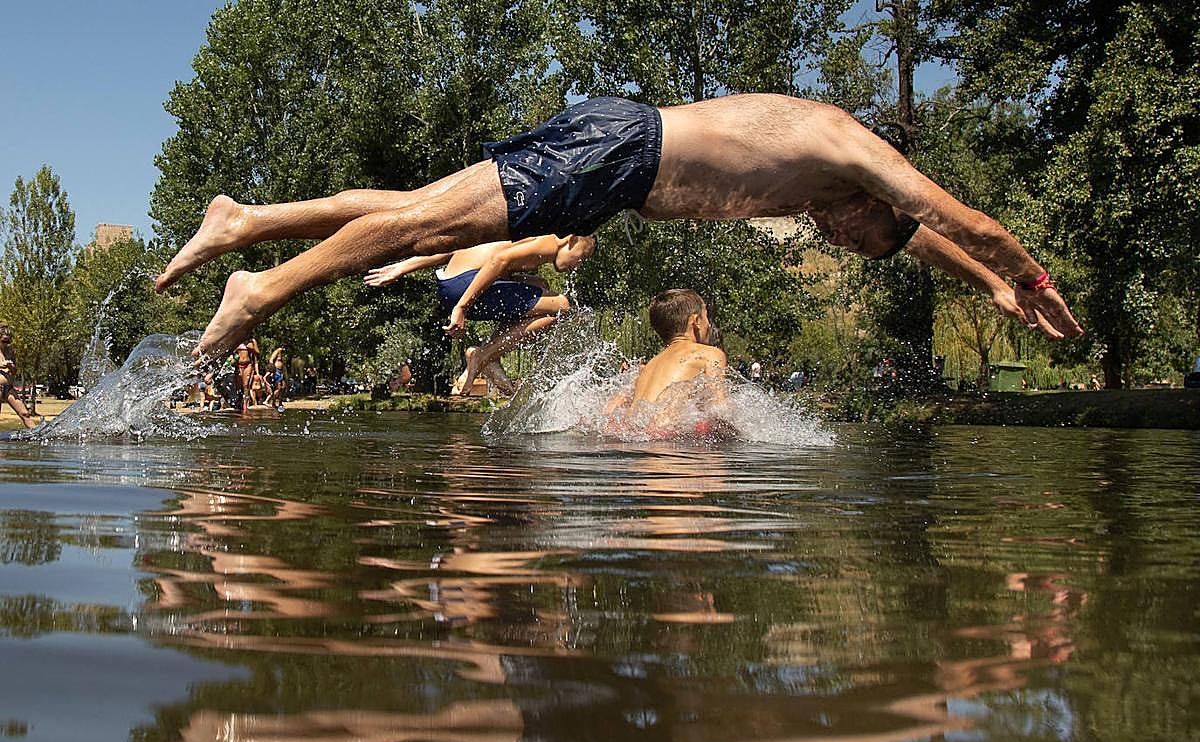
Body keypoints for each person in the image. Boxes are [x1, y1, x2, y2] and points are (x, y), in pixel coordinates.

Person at [154, 94, 1083, 360]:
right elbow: (973, 222)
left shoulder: (830, 190)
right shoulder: (851, 152)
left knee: (415, 214)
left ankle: (245, 221)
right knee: (420, 227)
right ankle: (262, 288)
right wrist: (1031, 280)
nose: (843, 241)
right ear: (872, 206)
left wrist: (991, 288)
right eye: (863, 236)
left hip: (615, 166)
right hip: (620, 153)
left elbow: (934, 240)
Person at [364, 236, 582, 394]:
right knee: (561, 306)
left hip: (451, 285)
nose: (578, 265)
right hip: (465, 286)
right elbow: (499, 262)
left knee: (540, 288)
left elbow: (456, 249)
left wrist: (405, 266)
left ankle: (488, 356)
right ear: (572, 240)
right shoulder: (550, 241)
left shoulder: (524, 230)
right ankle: (485, 355)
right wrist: (462, 307)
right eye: (582, 256)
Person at [607, 289, 732, 438]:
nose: (709, 325)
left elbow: (610, 410)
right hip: (666, 441)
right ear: (696, 321)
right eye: (706, 318)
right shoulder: (709, 354)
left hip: (636, 439)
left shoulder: (648, 367)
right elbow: (720, 409)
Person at [0, 323, 39, 429]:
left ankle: (36, 435)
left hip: (9, 388)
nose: (7, 344)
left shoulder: (10, 352)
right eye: (4, 341)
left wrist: (11, 366)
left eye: (9, 341)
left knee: (24, 413)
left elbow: (14, 372)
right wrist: (1, 365)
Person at [234, 339, 259, 411]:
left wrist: (251, 349)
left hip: (248, 365)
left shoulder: (252, 341)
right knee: (238, 385)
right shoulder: (238, 339)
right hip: (238, 365)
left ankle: (246, 403)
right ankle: (239, 401)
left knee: (246, 384)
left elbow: (257, 353)